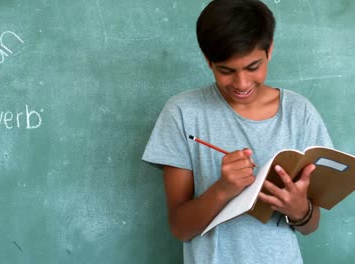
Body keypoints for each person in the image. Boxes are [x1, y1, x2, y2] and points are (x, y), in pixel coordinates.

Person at [142, 0, 332, 263]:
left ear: (270, 50)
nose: (242, 83)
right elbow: (180, 228)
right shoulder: (182, 113)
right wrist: (223, 189)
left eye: (253, 67)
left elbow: (311, 226)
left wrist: (300, 211)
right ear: (208, 60)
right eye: (226, 71)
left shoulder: (300, 113)